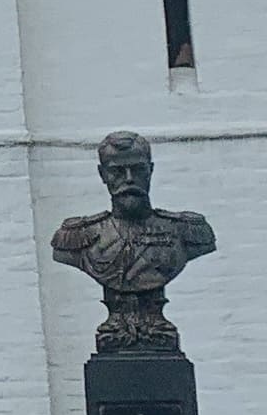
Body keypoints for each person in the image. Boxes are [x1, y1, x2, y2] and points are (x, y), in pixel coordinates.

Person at [49, 130, 215, 354]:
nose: (128, 179)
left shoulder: (185, 231)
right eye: (117, 171)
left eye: (137, 169)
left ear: (151, 171)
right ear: (103, 175)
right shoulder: (79, 237)